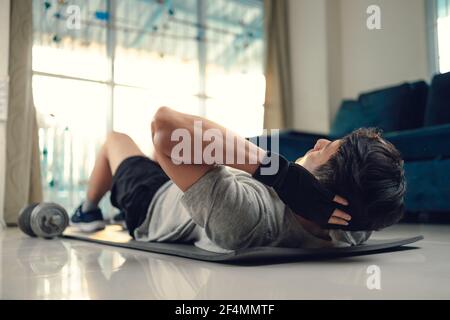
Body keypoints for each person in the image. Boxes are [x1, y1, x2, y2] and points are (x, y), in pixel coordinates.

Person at [71, 107, 406, 252]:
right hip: (198, 179)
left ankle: (87, 211)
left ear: (317, 188)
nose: (319, 142)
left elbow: (164, 124)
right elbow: (381, 195)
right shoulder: (353, 224)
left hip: (154, 200)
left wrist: (283, 174)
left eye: (326, 151)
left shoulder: (247, 220)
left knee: (115, 139)